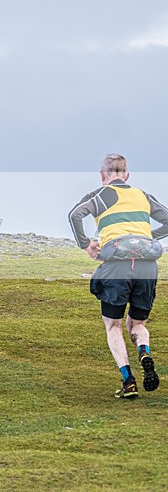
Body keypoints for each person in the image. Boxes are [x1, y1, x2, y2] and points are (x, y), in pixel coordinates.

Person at [69, 154, 168, 398]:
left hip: (117, 266)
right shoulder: (142, 195)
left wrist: (86, 245)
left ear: (103, 175)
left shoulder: (100, 195)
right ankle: (143, 350)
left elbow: (75, 215)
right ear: (127, 175)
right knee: (138, 324)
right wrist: (145, 239)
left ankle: (128, 381)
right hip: (147, 266)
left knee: (113, 325)